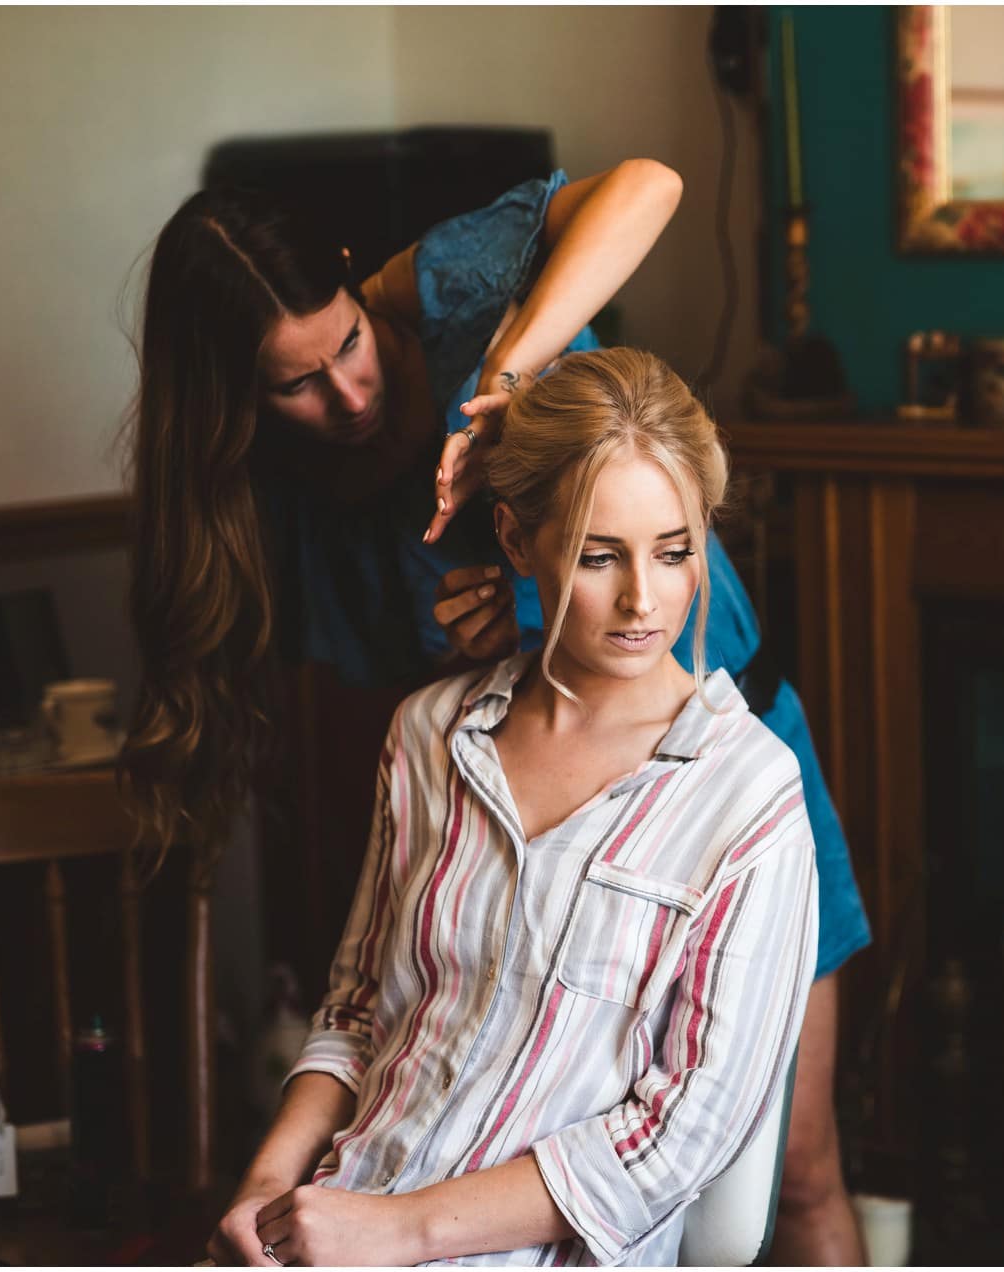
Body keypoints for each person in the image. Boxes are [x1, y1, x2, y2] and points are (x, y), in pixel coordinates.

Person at [123, 163, 871, 1263]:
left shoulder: (450, 295)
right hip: (524, 803)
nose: (349, 396)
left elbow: (650, 186)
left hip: (692, 784)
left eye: (347, 347)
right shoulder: (307, 545)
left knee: (797, 1176)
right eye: (296, 385)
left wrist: (503, 383)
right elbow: (374, 999)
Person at [208, 347, 817, 1266]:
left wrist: (402, 1233)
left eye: (675, 550)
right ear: (517, 539)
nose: (643, 600)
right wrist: (267, 1185)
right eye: (598, 555)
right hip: (332, 1223)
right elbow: (359, 1011)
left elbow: (684, 1133)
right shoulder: (429, 736)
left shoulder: (748, 796)